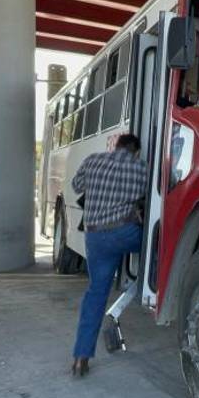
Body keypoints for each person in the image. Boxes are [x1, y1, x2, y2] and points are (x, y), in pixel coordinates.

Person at [70, 134, 147, 376]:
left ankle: (81, 358)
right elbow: (151, 195)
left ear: (117, 146)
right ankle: (149, 280)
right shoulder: (140, 168)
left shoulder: (93, 160)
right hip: (126, 233)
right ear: (135, 151)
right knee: (157, 246)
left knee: (96, 293)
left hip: (96, 238)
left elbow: (76, 186)